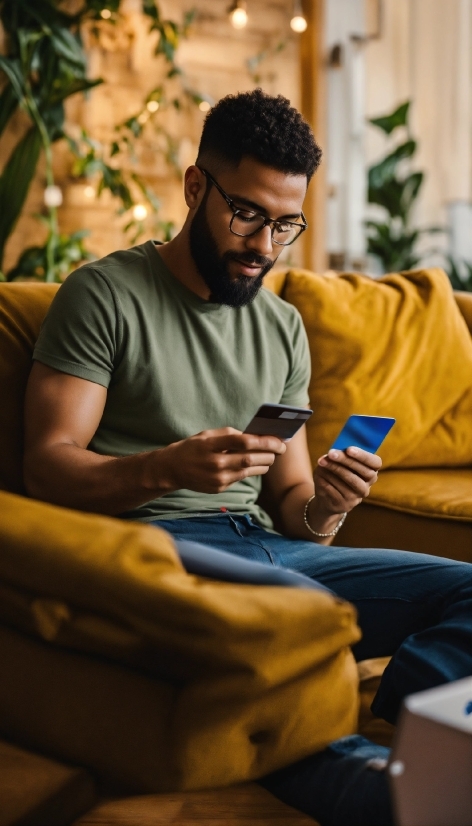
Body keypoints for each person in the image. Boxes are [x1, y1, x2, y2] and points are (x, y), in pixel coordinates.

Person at [23, 89, 472, 826]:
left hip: (266, 551)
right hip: (152, 551)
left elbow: (294, 510)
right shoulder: (103, 295)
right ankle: (373, 787)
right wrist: (165, 468)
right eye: (248, 215)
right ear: (197, 186)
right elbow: (48, 466)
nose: (265, 245)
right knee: (290, 618)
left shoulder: (283, 326)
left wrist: (329, 502)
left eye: (285, 224)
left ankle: (411, 732)